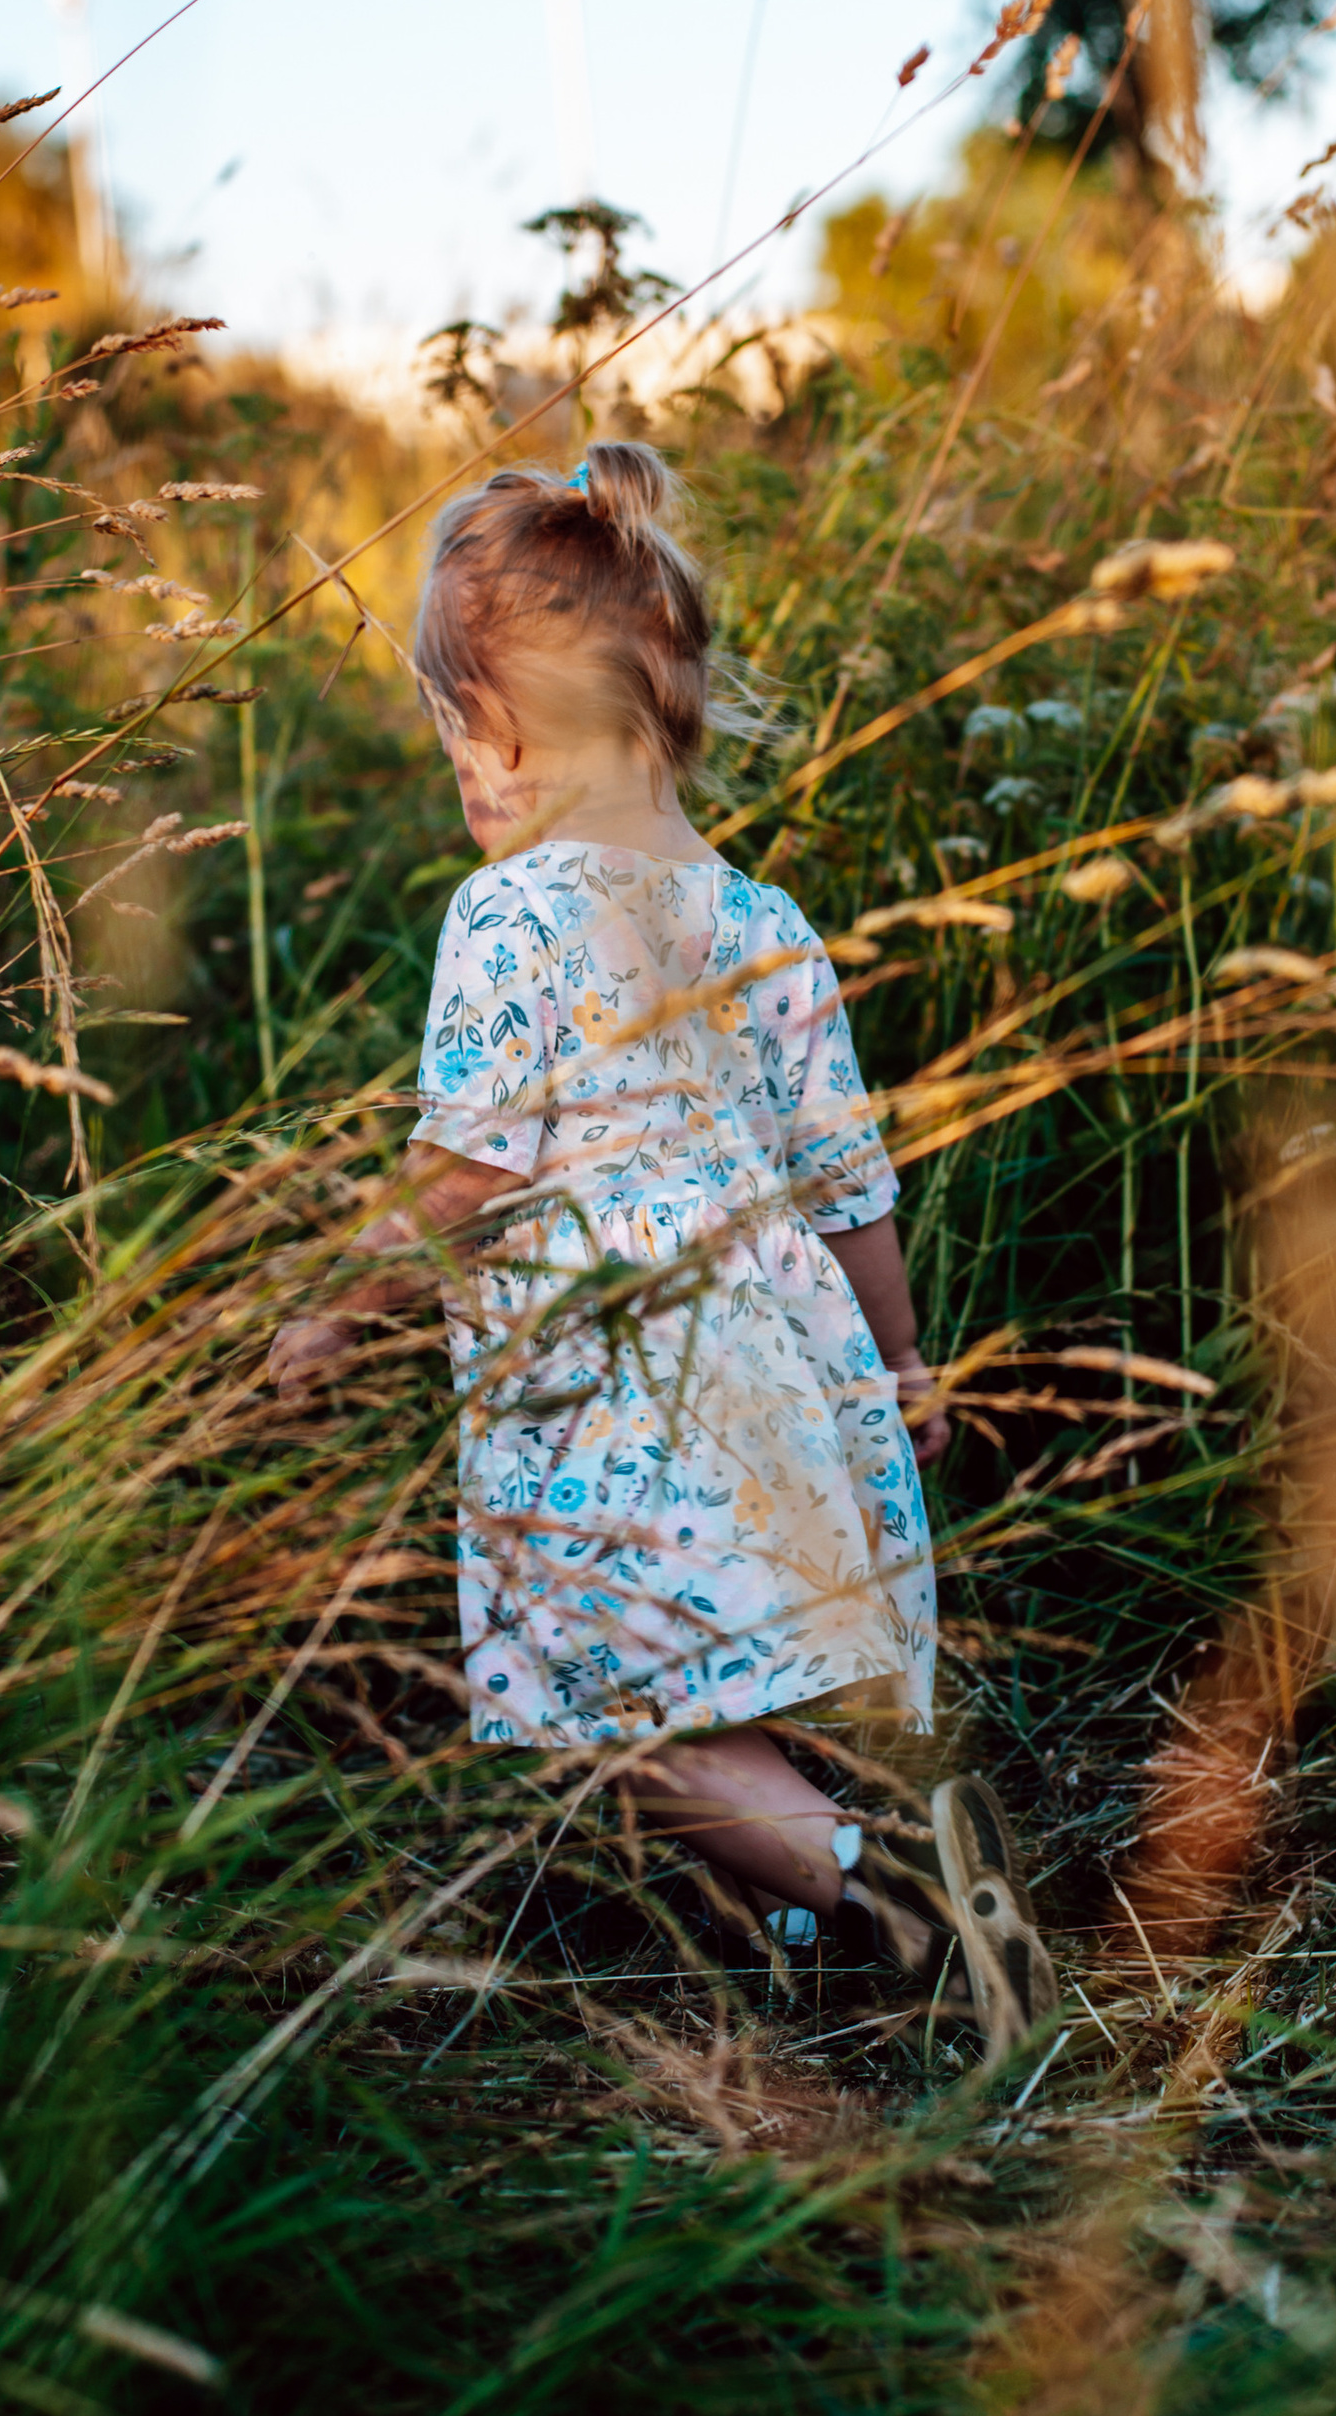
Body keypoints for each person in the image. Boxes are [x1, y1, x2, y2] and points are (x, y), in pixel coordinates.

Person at [271, 441, 1050, 2063]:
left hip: (618, 1386)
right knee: (730, 1676)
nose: (458, 777)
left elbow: (468, 1166)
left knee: (617, 1715)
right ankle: (797, 1931)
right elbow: (850, 1185)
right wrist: (904, 1363)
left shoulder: (513, 917)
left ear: (497, 731)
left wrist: (336, 1307)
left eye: (453, 738)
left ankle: (886, 1890)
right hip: (788, 1357)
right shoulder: (764, 917)